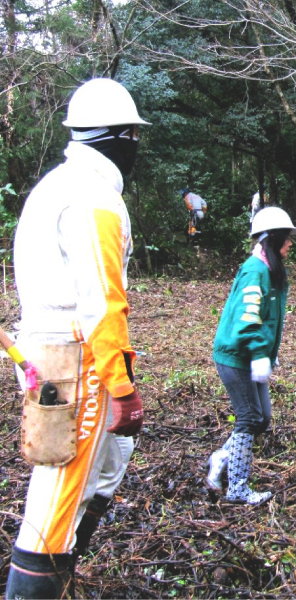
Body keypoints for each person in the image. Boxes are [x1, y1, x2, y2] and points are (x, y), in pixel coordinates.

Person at [6, 78, 148, 598]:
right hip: (78, 360)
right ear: (119, 136)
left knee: (104, 471)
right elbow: (102, 304)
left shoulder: (57, 185)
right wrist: (124, 389)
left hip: (49, 353)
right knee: (60, 494)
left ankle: (60, 579)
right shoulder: (94, 201)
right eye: (134, 135)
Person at [205, 206, 296, 505]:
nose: (290, 244)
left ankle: (221, 458)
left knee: (263, 419)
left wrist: (267, 353)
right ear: (271, 239)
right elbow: (248, 319)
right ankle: (237, 488)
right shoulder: (255, 270)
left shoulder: (270, 270)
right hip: (236, 357)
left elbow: (267, 317)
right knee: (248, 417)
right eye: (286, 238)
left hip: (252, 356)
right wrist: (260, 353)